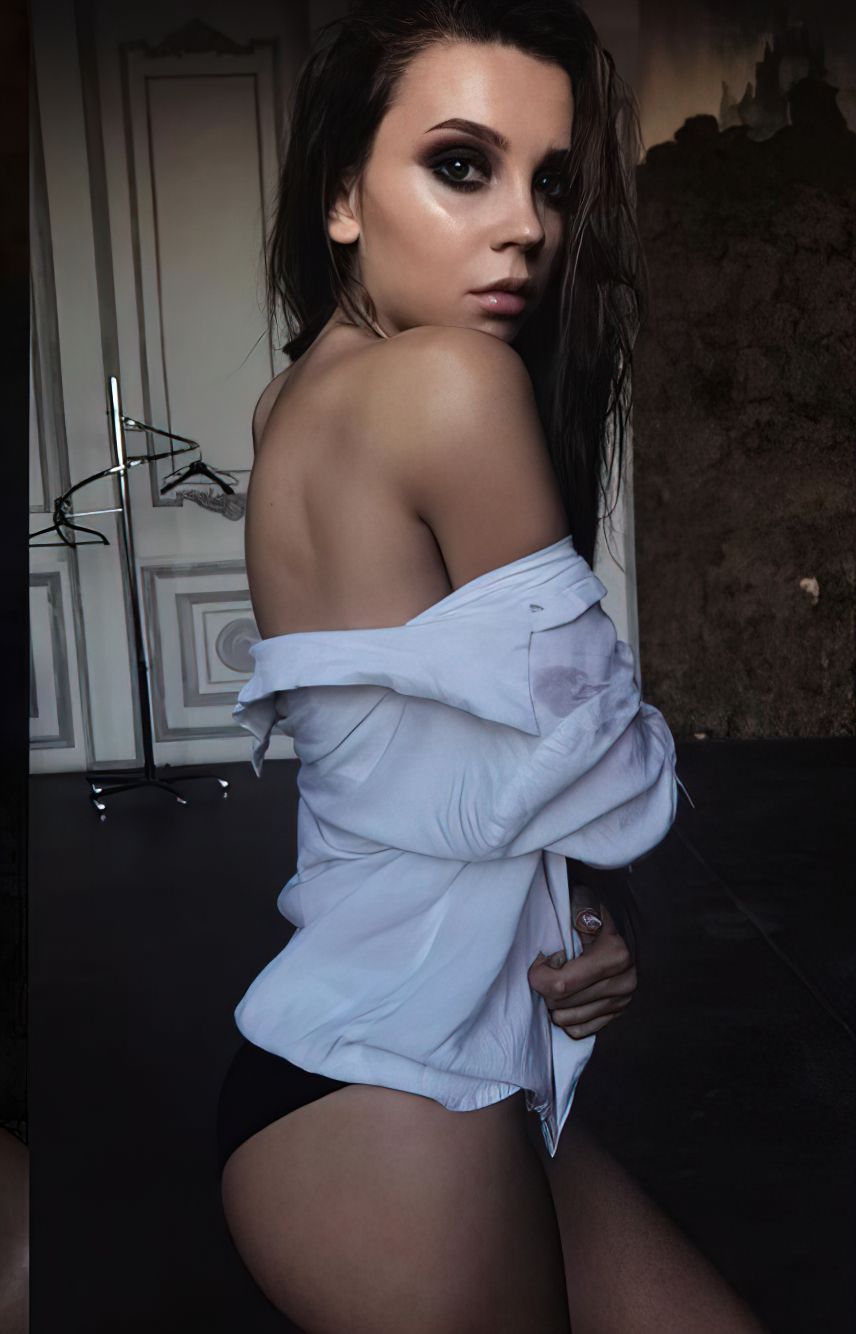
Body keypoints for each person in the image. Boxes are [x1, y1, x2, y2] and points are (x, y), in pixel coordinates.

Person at [217, 3, 767, 1331]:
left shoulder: (296, 397)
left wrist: (580, 912)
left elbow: (443, 769)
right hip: (396, 1096)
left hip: (369, 1048)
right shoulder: (452, 383)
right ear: (342, 193)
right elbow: (614, 781)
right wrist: (598, 860)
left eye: (552, 181)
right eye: (462, 165)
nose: (526, 225)